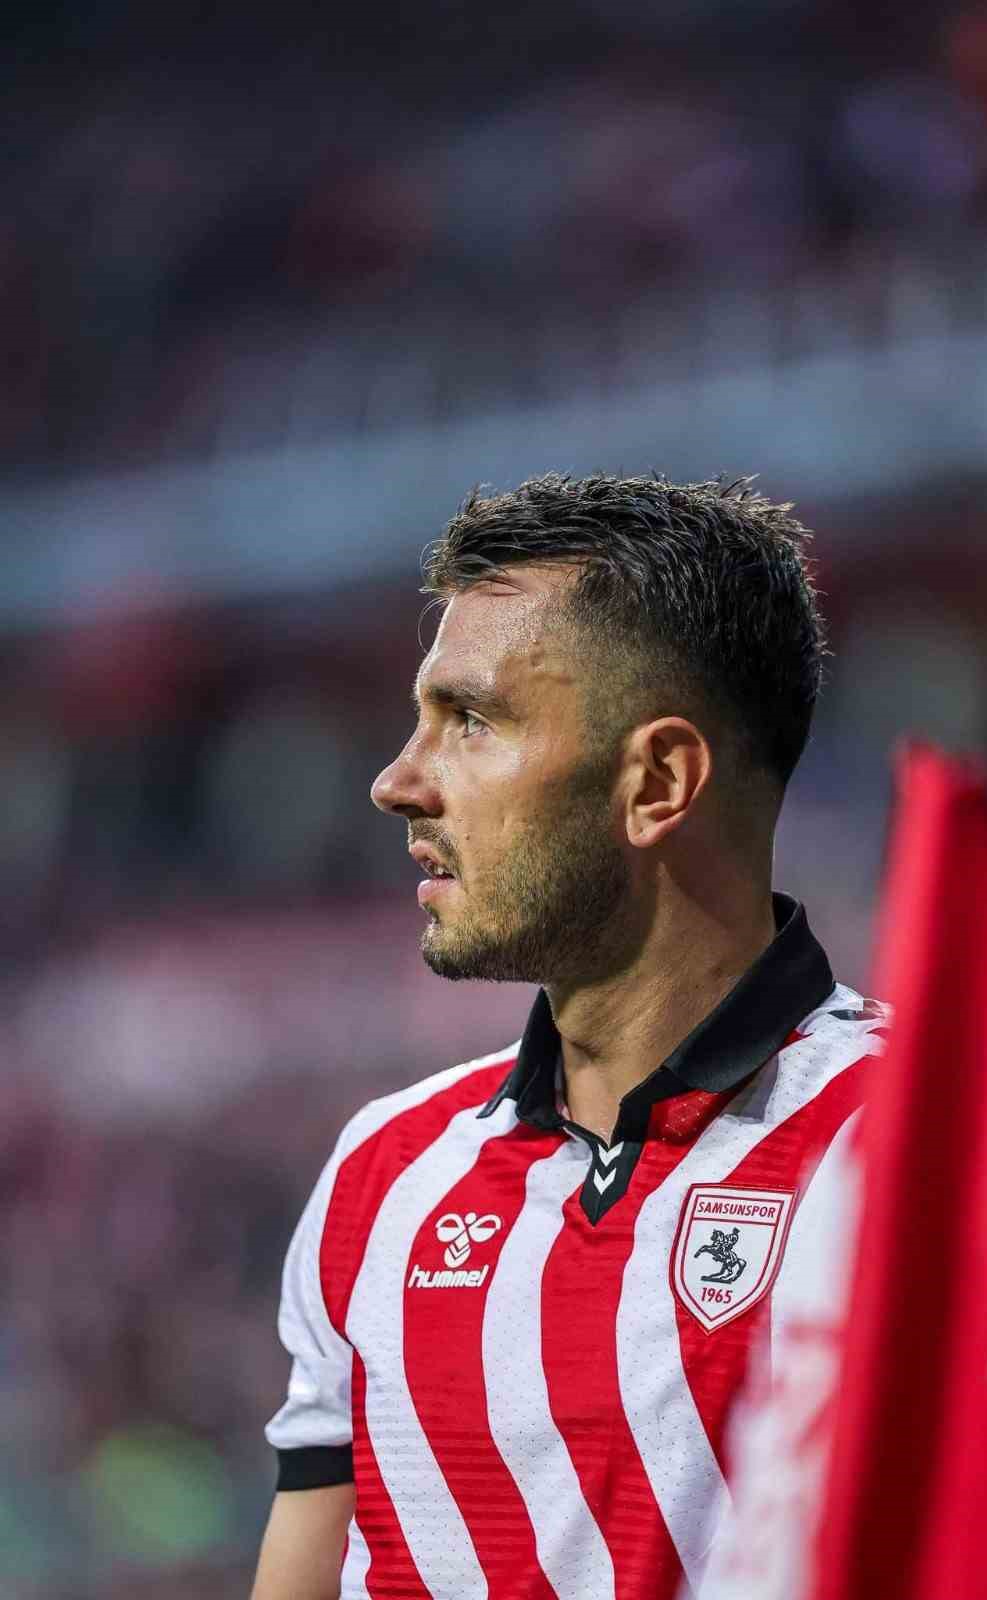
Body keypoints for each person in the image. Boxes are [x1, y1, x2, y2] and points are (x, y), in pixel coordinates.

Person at [250, 472, 888, 1600]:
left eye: (471, 720)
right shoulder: (380, 1175)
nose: (397, 782)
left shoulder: (916, 1146)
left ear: (658, 781)